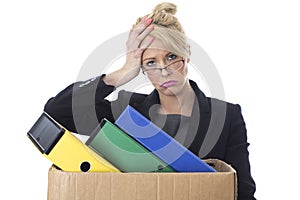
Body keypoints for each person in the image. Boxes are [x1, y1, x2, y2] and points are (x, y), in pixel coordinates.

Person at [44, 2, 256, 199]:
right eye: (151, 62)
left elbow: (243, 192)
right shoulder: (127, 111)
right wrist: (123, 72)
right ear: (142, 68)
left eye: (171, 57)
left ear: (187, 53)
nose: (164, 71)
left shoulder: (227, 116)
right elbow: (56, 111)